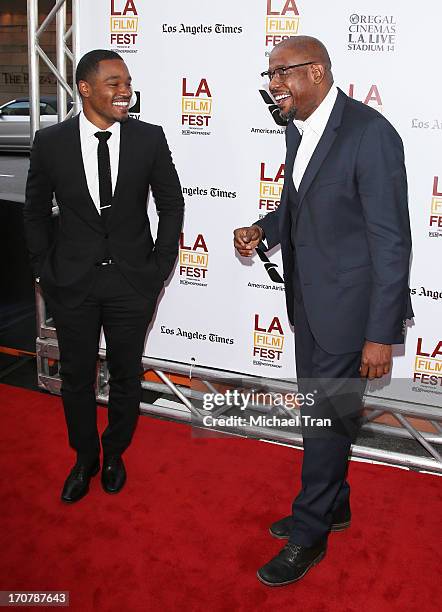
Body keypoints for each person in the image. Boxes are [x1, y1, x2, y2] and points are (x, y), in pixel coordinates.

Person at [234, 36, 413, 586]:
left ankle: (310, 533)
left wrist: (380, 333)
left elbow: (391, 241)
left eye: (280, 74)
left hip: (350, 313)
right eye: (269, 76)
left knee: (324, 424)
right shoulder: (298, 128)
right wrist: (263, 230)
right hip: (308, 304)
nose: (273, 85)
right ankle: (334, 504)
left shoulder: (369, 134)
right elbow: (297, 203)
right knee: (327, 417)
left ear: (315, 71)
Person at [24, 49, 184, 503]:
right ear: (85, 88)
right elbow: (35, 212)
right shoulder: (50, 142)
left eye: (128, 82)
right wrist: (44, 269)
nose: (124, 91)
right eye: (114, 82)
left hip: (133, 283)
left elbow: (171, 204)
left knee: (126, 376)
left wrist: (158, 268)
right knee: (76, 377)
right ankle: (84, 458)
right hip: (72, 283)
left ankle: (114, 454)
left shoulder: (148, 139)